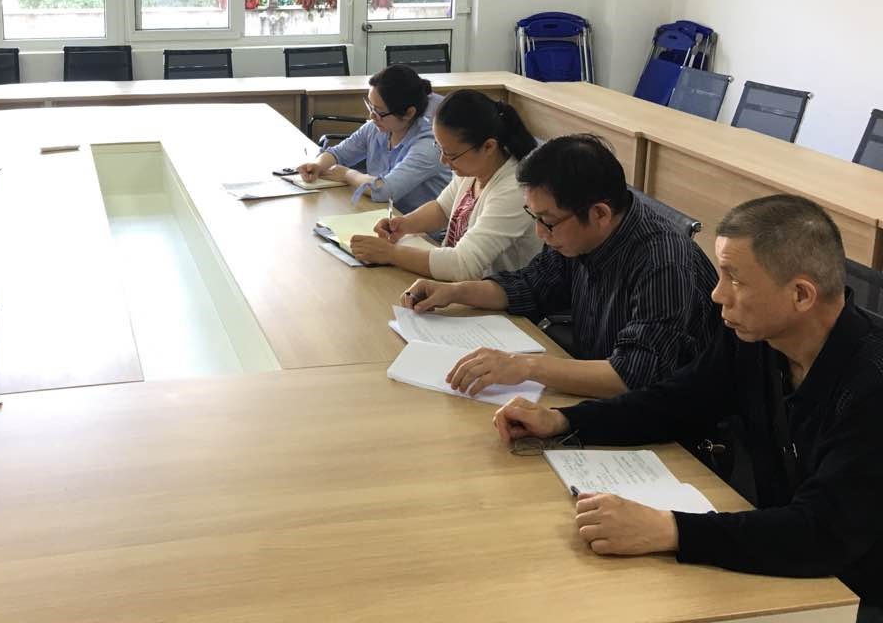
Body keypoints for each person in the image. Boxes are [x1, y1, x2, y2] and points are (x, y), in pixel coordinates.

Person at [491, 196, 883, 618]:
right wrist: (563, 420)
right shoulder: (757, 336)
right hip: (785, 559)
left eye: (735, 279)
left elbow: (823, 532)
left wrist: (669, 529)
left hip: (851, 592)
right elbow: (678, 401)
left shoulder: (871, 383)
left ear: (801, 295)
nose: (717, 294)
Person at [402, 134, 718, 398]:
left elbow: (633, 375)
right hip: (595, 394)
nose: (540, 232)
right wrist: (454, 292)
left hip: (669, 426)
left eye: (548, 221)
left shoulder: (664, 262)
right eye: (534, 217)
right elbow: (531, 285)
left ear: (600, 214)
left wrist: (526, 367)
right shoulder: (579, 235)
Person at [348, 90, 541, 275]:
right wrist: (404, 224)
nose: (443, 160)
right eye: (439, 148)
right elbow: (442, 209)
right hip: (463, 287)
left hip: (496, 295)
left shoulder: (515, 190)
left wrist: (390, 254)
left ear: (488, 146)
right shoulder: (473, 168)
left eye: (450, 154)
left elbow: (464, 264)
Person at [295, 64, 449, 216]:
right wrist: (317, 165)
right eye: (371, 107)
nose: (372, 116)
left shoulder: (429, 144)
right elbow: (338, 153)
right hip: (384, 214)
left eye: (379, 112)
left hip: (420, 227)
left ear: (409, 113)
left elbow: (385, 190)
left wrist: (348, 174)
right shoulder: (377, 128)